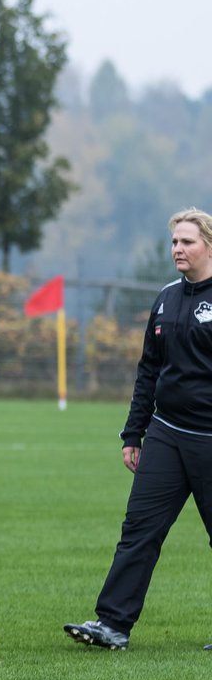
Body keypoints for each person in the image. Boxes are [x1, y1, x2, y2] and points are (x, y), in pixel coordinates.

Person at [65, 207, 212, 651]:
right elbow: (148, 369)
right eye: (173, 242)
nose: (177, 249)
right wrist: (134, 434)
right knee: (138, 530)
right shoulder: (166, 298)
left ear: (208, 244)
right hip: (166, 434)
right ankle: (112, 625)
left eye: (186, 241)